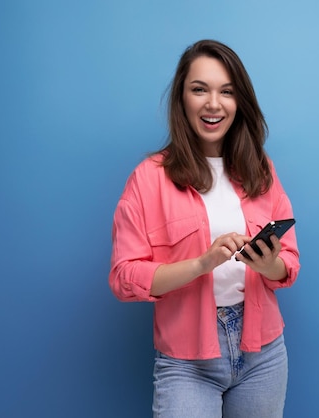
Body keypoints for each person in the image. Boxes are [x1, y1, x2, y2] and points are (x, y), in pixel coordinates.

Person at [109, 39, 300, 418]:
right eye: (200, 89)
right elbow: (123, 277)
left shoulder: (261, 169)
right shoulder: (149, 179)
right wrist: (201, 264)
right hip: (186, 361)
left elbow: (289, 264)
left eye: (226, 92)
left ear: (238, 102)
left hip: (263, 352)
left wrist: (267, 265)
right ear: (182, 99)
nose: (214, 103)